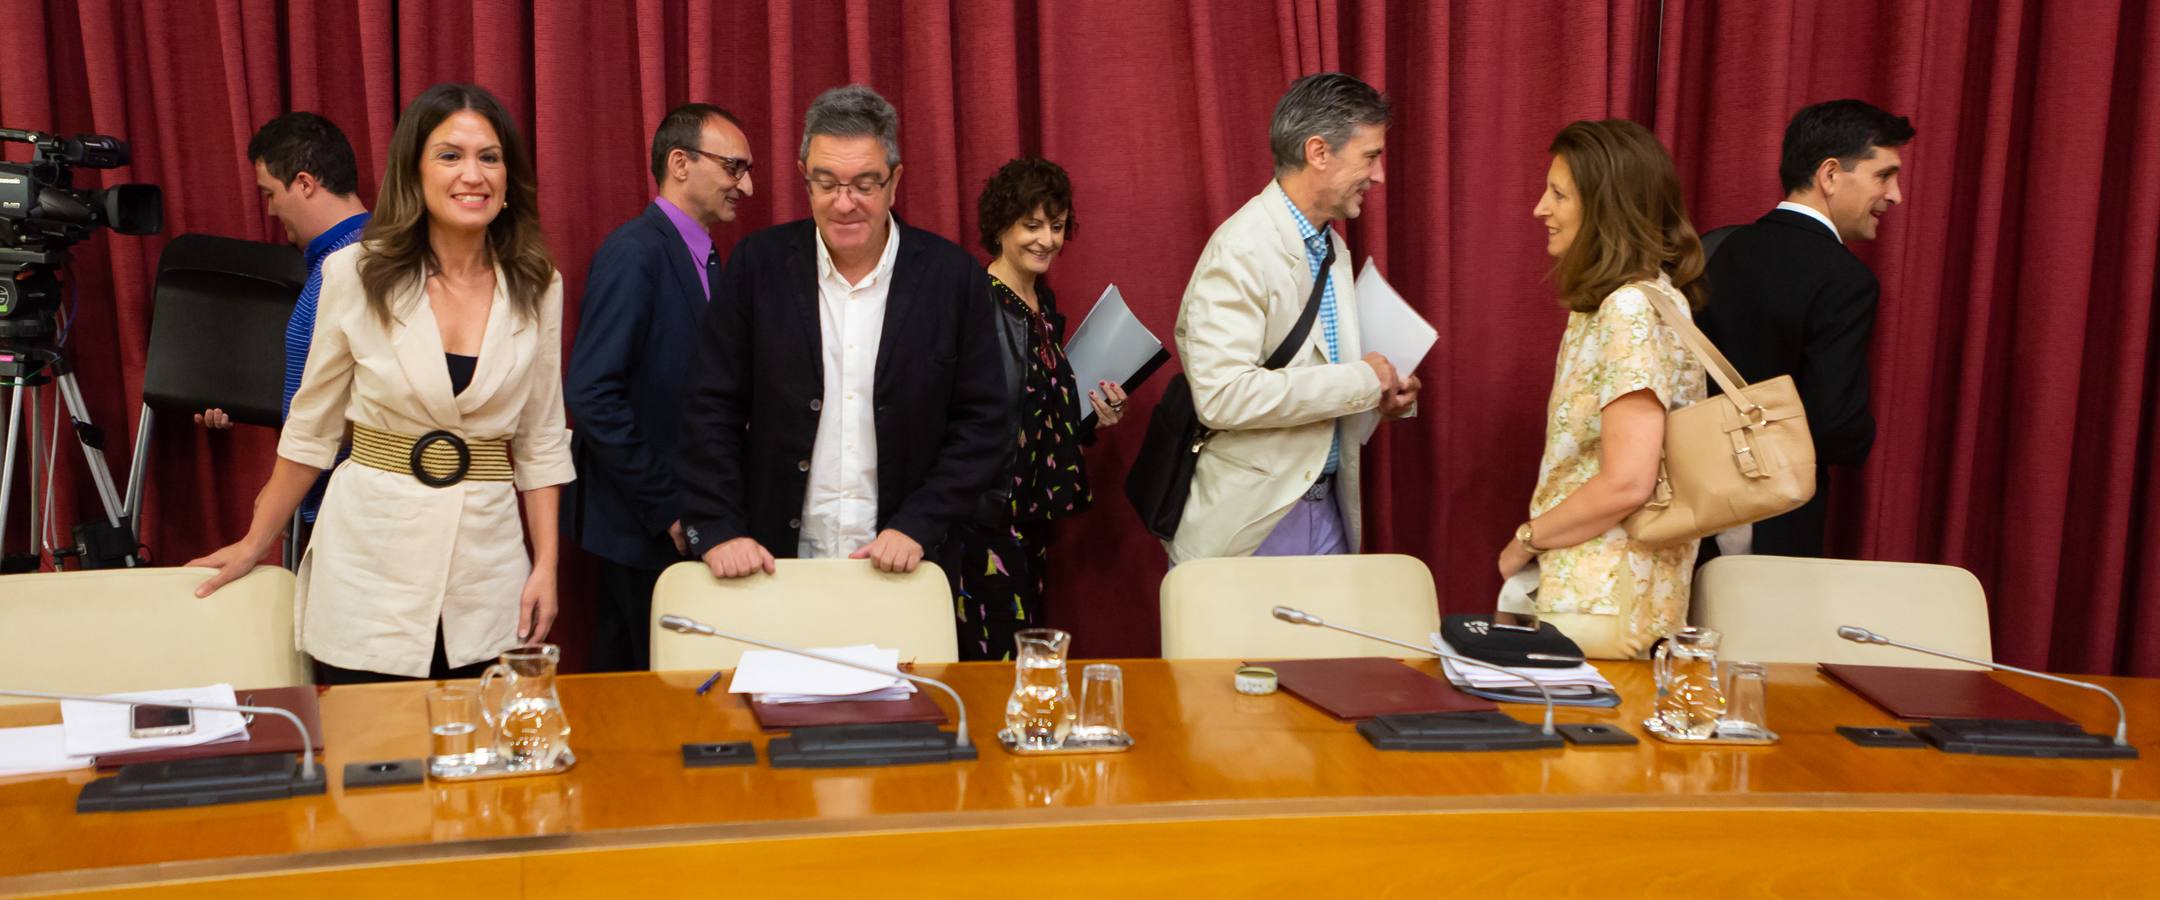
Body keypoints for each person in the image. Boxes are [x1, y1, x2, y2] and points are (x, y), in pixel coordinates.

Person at [188, 83, 573, 683]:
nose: (472, 174)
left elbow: (542, 438)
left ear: (508, 179)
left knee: (484, 764)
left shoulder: (538, 284)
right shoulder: (355, 273)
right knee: (370, 759)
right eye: (450, 155)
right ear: (414, 172)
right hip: (370, 565)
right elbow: (311, 429)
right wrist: (253, 540)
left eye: (489, 157)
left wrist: (545, 564)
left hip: (489, 571)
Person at [676, 84, 1006, 586]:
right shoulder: (757, 266)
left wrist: (919, 523)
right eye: (826, 182)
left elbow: (984, 423)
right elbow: (709, 407)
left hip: (907, 564)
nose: (844, 203)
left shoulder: (952, 277)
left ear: (895, 182)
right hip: (773, 561)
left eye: (864, 185)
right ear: (803, 178)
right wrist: (719, 527)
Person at [1169, 72, 1419, 565]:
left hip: (1326, 514)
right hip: (1254, 524)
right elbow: (1222, 398)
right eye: (1370, 156)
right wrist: (1361, 380)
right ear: (1319, 152)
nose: (1380, 175)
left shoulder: (1332, 246)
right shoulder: (1239, 249)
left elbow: (1319, 380)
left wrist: (1382, 397)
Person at [1496, 119, 1709, 659]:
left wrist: (1525, 539)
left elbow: (1627, 482)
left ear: (1605, 207)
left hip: (1602, 600)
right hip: (1615, 595)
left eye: (1559, 194)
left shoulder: (1629, 309)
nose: (1540, 208)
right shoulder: (1643, 301)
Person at [564, 103, 755, 672]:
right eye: (733, 167)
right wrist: (668, 508)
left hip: (679, 525)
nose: (746, 185)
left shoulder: (708, 259)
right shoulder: (635, 252)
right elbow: (593, 393)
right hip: (641, 528)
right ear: (679, 163)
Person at [1694, 100, 1913, 559]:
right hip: (1771, 515)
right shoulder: (1845, 280)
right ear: (1830, 175)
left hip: (1689, 504)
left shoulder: (1716, 248)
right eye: (1883, 175)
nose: (1895, 195)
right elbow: (1834, 424)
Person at [953, 157, 1126, 660]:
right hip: (986, 520)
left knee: (1029, 655)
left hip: (1032, 518)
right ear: (1001, 225)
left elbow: (1042, 409)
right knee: (995, 663)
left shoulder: (1041, 304)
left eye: (1055, 225)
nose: (1046, 239)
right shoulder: (978, 304)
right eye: (1031, 225)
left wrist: (1093, 414)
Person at [197, 112, 371, 544]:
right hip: (324, 494)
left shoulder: (358, 265)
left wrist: (283, 486)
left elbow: (364, 404)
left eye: (271, 194)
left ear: (306, 183)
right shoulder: (335, 261)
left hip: (351, 502)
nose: (271, 210)